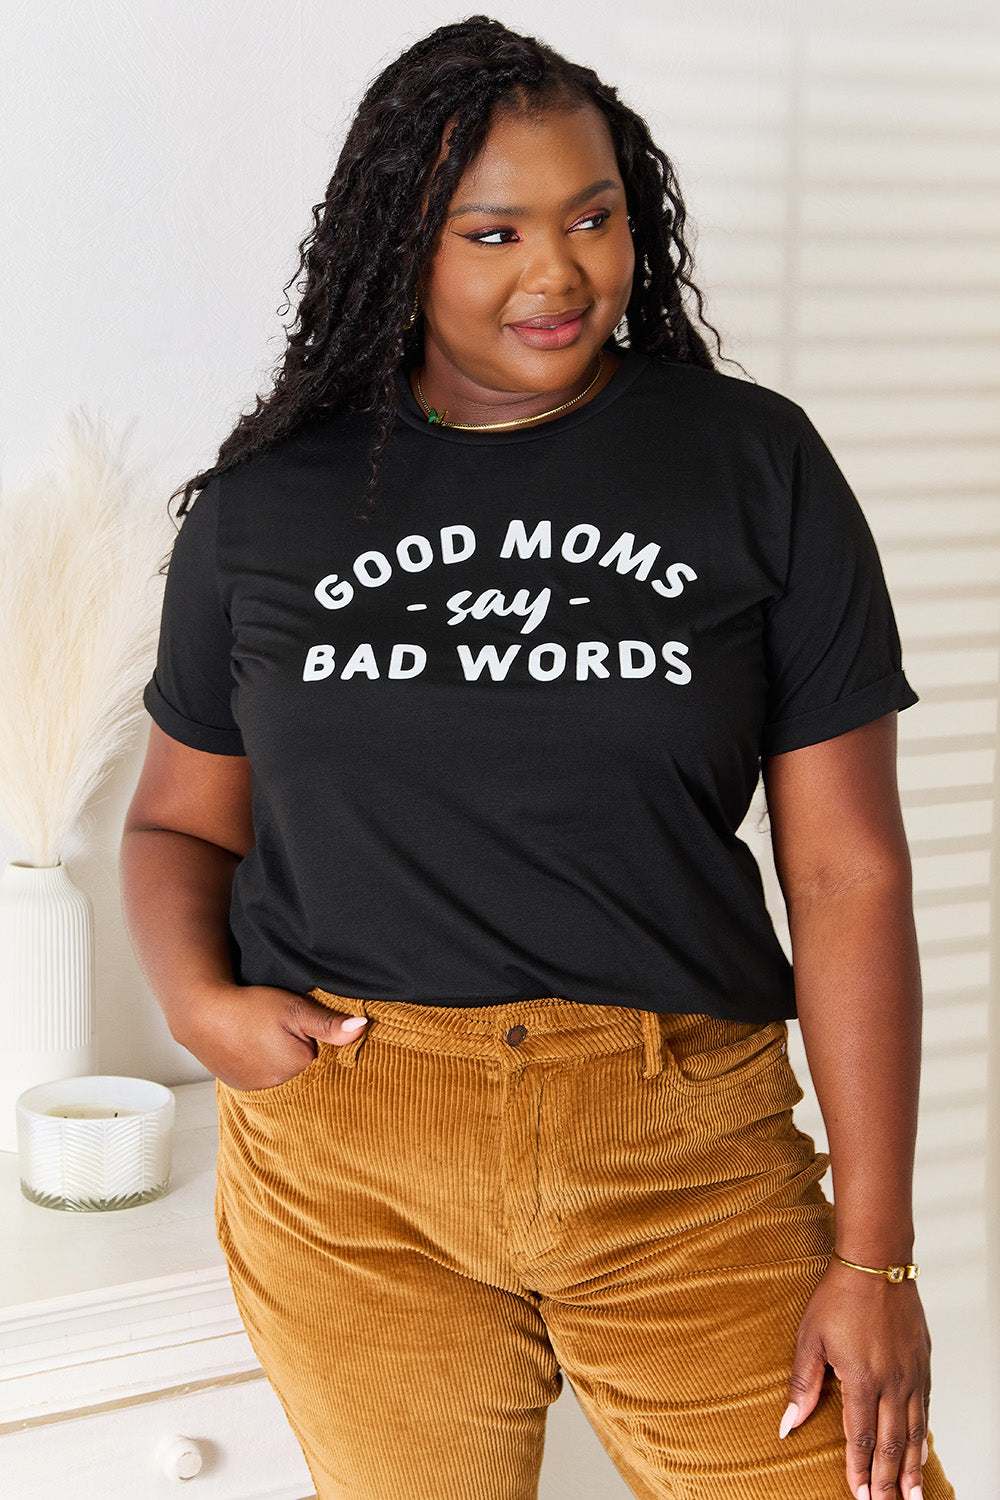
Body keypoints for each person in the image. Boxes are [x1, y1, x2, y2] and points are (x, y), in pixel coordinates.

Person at [120, 17, 956, 1500]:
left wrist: (875, 1254)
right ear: (400, 247)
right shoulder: (268, 506)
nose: (558, 272)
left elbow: (844, 873)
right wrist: (195, 1003)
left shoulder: (753, 464)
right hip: (352, 1161)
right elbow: (180, 824)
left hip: (682, 1154)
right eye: (492, 231)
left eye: (593, 216)